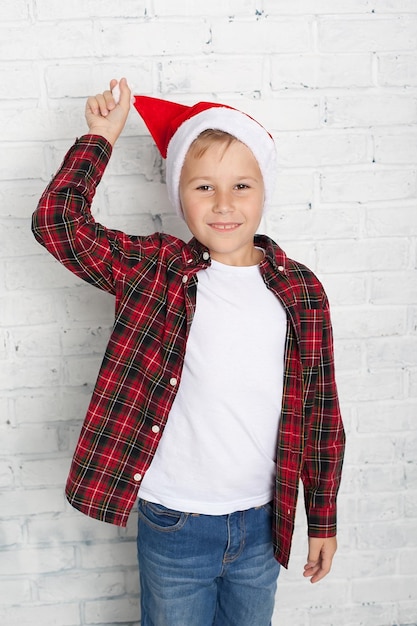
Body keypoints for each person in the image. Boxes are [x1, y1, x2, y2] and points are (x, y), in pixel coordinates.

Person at [32, 78, 345, 626]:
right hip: (174, 521)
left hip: (261, 525)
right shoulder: (156, 270)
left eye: (241, 186)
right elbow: (58, 224)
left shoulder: (300, 291)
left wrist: (322, 518)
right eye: (204, 187)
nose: (224, 205)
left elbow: (321, 414)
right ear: (179, 195)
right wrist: (99, 140)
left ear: (264, 190)